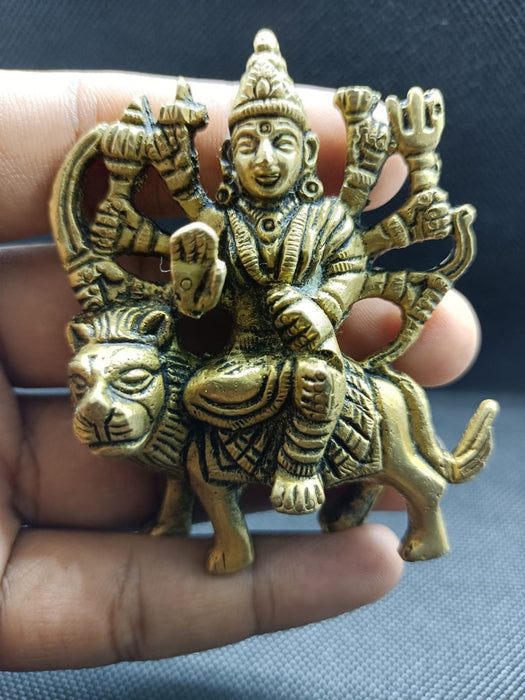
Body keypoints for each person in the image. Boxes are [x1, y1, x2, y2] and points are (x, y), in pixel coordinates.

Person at [0, 66, 480, 670]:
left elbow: (348, 272)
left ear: (309, 155)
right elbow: (197, 301)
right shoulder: (221, 226)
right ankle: (221, 507)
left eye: (282, 143)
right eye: (248, 145)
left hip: (312, 352)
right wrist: (198, 287)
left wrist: (322, 308)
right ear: (227, 159)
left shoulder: (329, 221)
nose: (266, 159)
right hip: (242, 358)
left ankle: (302, 467)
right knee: (196, 395)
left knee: (319, 380)